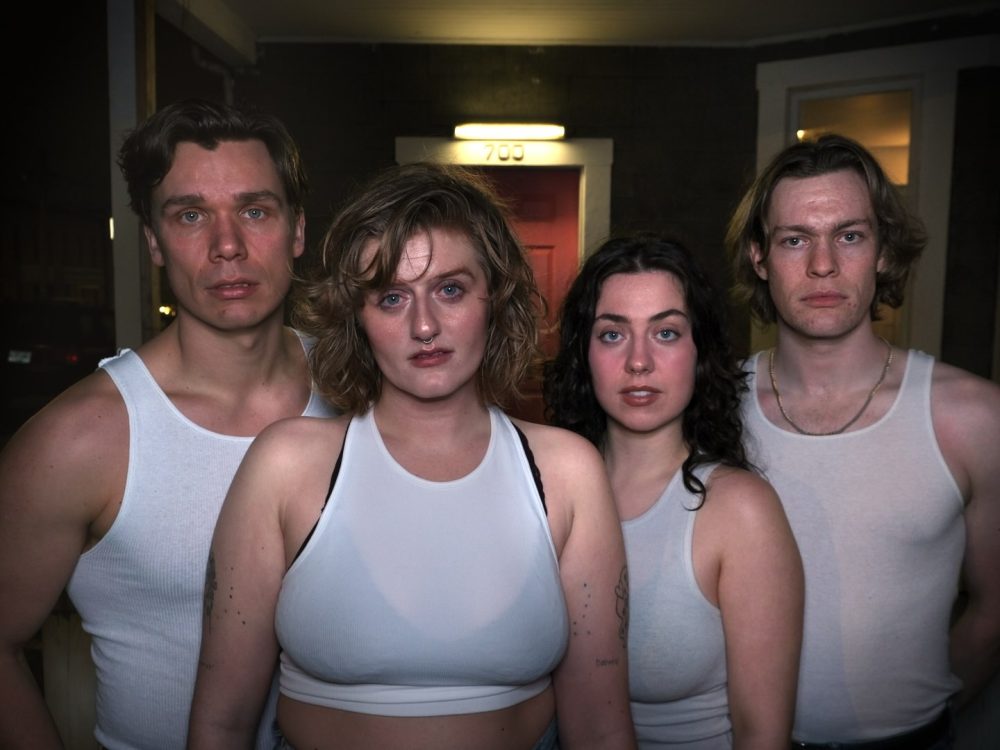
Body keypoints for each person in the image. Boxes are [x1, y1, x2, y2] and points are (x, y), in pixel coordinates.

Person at [186, 162, 636, 749]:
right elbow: (221, 724)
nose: (424, 325)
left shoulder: (567, 472)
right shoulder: (286, 466)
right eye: (391, 297)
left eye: (449, 290)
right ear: (358, 318)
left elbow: (600, 729)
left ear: (494, 299)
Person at [0, 98, 336, 749]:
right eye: (190, 215)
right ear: (153, 242)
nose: (228, 245)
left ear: (297, 230)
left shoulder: (364, 392)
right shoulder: (82, 437)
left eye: (256, 210)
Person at [726, 133, 1000, 748]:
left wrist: (925, 722)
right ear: (760, 257)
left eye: (849, 236)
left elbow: (994, 610)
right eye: (795, 239)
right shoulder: (709, 413)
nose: (822, 265)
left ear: (882, 252)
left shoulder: (975, 418)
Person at [544, 234, 804, 748]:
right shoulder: (542, 491)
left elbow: (763, 735)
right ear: (583, 352)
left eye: (665, 333)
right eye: (612, 334)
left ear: (699, 351)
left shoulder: (739, 510)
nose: (638, 362)